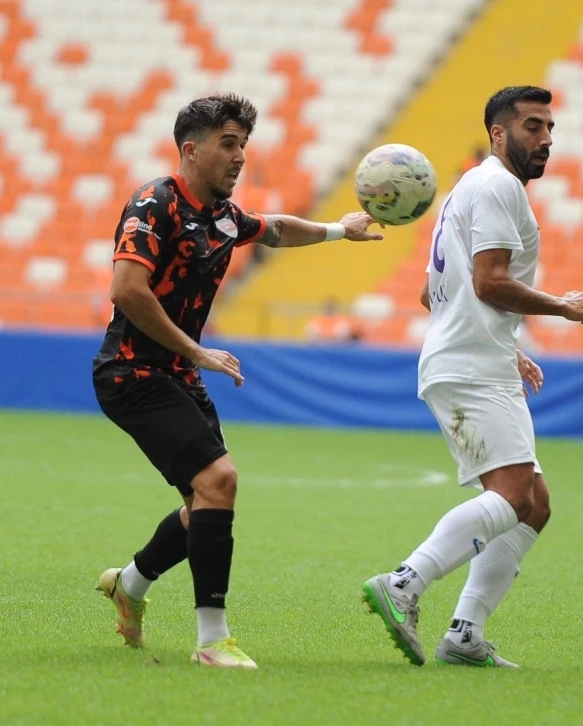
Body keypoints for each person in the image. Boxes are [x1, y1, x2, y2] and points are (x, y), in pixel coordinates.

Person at [93, 93, 382, 669]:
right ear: (190, 149)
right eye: (228, 144)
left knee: (203, 503)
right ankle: (212, 641)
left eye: (243, 145)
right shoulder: (155, 203)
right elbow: (127, 289)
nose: (240, 156)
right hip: (132, 370)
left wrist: (337, 231)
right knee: (219, 481)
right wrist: (196, 350)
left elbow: (273, 229)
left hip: (174, 371)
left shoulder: (223, 215)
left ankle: (128, 585)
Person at [362, 86, 583, 668]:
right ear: (499, 133)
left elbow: (431, 292)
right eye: (531, 127)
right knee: (514, 496)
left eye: (549, 128)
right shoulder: (497, 186)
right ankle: (404, 583)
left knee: (534, 503)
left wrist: (507, 343)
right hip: (471, 367)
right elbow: (489, 282)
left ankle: (465, 634)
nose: (545, 139)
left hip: (471, 357)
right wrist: (562, 306)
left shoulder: (470, 186)